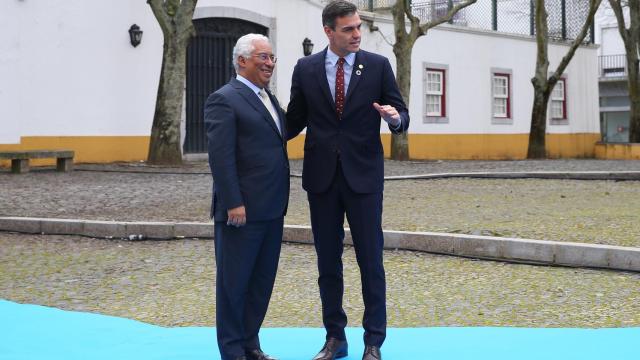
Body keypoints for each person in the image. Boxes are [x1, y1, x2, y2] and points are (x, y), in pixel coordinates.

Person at [286, 1, 410, 360]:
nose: (357, 34)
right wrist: (258, 120)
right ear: (329, 31)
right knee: (328, 264)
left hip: (364, 179)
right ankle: (335, 339)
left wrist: (394, 118)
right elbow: (293, 121)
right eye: (349, 29)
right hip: (322, 180)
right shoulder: (306, 68)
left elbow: (401, 113)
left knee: (371, 262)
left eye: (358, 27)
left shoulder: (377, 66)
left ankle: (373, 342)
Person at [205, 33, 289, 360]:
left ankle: (250, 344)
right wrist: (233, 202)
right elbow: (221, 157)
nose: (269, 63)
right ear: (242, 61)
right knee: (233, 286)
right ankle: (232, 351)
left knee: (260, 283)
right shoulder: (224, 98)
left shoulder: (268, 98)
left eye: (272, 58)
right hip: (240, 211)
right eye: (262, 58)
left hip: (271, 208)